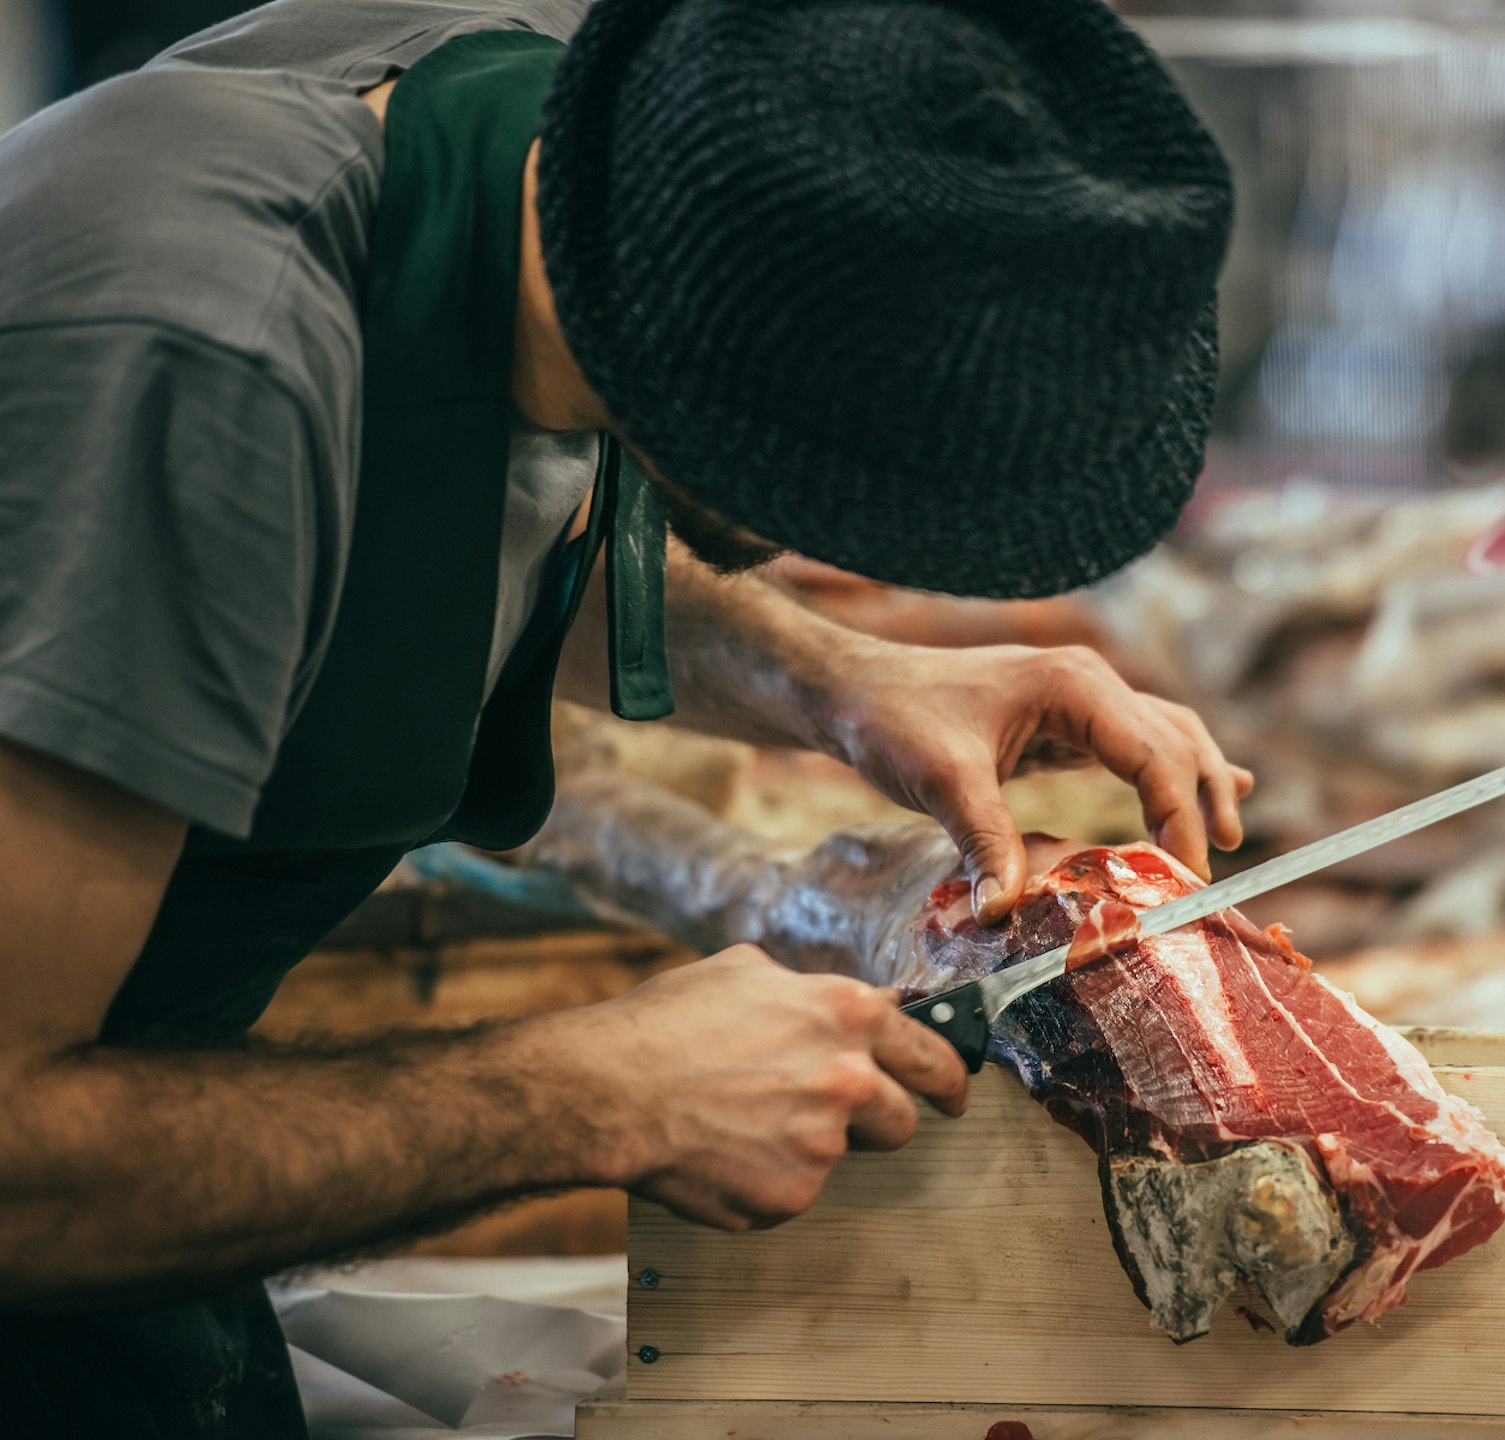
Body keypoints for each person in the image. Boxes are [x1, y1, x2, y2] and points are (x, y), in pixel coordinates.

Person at [0, 0, 1238, 1432]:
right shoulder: (201, 344)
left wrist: (840, 682)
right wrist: (584, 1095)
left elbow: (393, 519)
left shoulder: (557, 161)